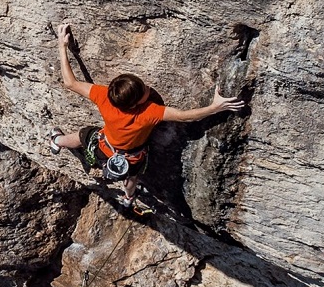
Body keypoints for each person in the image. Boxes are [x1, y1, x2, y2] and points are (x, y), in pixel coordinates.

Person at [51, 24, 245, 207]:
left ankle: (57, 141)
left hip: (105, 148)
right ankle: (128, 198)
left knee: (83, 135)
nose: (148, 89)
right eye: (144, 90)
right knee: (132, 177)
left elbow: (70, 83)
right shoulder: (148, 112)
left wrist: (62, 46)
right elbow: (185, 116)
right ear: (136, 103)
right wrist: (215, 107)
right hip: (132, 158)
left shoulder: (104, 96)